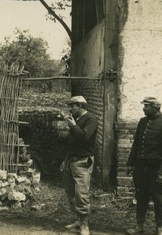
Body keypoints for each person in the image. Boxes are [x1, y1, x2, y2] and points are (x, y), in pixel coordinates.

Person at [127, 97, 162, 235]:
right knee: (141, 196)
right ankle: (140, 225)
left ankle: (159, 227)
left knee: (159, 198)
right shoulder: (142, 121)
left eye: (146, 106)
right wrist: (131, 163)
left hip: (155, 168)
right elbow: (136, 144)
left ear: (155, 107)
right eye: (144, 106)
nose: (143, 109)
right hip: (141, 167)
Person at [60, 95, 98, 235]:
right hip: (71, 160)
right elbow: (71, 142)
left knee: (81, 193)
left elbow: (84, 138)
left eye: (73, 106)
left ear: (81, 106)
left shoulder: (91, 119)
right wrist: (65, 160)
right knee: (71, 191)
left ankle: (84, 225)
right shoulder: (77, 119)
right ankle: (77, 220)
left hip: (82, 161)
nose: (70, 109)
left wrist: (73, 126)